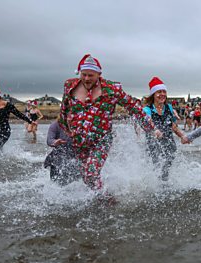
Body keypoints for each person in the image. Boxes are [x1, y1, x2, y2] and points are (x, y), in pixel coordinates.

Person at [58, 54, 154, 201]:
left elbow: (132, 105)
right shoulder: (69, 86)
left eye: (91, 75)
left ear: (99, 74)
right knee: (86, 177)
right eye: (84, 75)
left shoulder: (111, 89)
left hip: (101, 140)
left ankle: (108, 200)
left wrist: (149, 126)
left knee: (91, 173)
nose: (87, 79)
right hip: (79, 140)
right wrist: (65, 129)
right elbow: (64, 108)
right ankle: (104, 198)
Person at [143, 77, 187, 181]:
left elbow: (173, 125)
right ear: (153, 94)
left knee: (167, 164)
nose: (162, 94)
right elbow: (147, 122)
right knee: (157, 165)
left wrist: (182, 136)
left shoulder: (169, 107)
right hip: (154, 142)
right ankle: (156, 185)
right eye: (159, 92)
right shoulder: (147, 109)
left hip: (169, 141)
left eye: (164, 91)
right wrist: (154, 130)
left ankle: (164, 182)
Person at [0, 84, 35, 159]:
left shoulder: (7, 105)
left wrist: (30, 121)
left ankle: (1, 160)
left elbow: (18, 114)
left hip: (4, 129)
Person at [44, 115, 80, 185]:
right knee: (56, 183)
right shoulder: (55, 125)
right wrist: (55, 142)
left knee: (76, 181)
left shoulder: (80, 125)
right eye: (68, 115)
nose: (70, 117)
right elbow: (49, 140)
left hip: (74, 155)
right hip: (58, 154)